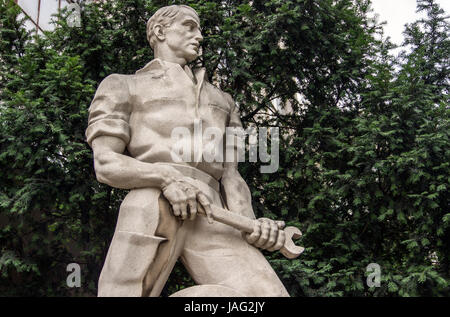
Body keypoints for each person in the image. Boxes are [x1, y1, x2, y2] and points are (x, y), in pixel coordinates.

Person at [86, 4, 289, 297]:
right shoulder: (123, 86)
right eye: (189, 26)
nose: (200, 36)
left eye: (199, 28)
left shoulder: (223, 100)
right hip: (152, 200)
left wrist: (252, 225)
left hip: (214, 214)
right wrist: (166, 178)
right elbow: (106, 163)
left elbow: (231, 176)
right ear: (160, 32)